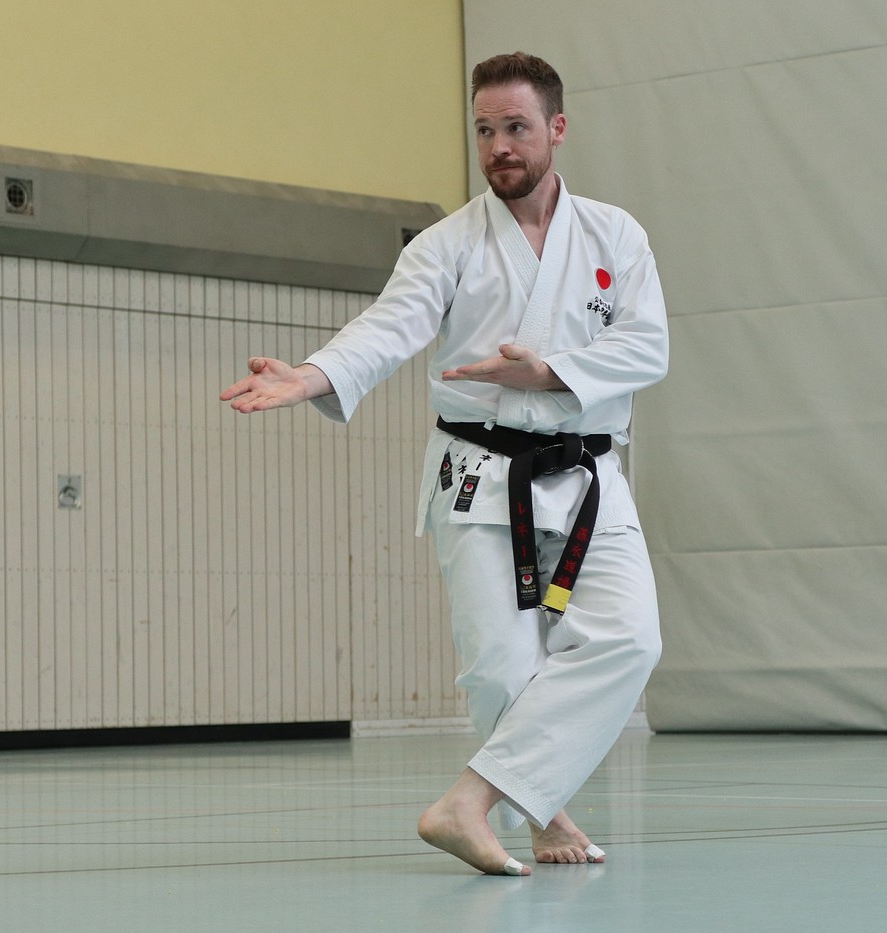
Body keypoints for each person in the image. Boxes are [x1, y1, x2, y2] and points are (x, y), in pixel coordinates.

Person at [220, 52, 668, 875]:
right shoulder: (448, 244)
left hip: (588, 476)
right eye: (485, 130)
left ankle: (470, 801)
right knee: (501, 667)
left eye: (516, 128)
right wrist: (315, 373)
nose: (499, 147)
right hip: (481, 475)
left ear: (557, 129)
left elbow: (647, 346)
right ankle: (544, 812)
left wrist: (548, 372)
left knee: (631, 639)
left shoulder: (616, 235)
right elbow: (389, 325)